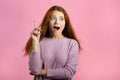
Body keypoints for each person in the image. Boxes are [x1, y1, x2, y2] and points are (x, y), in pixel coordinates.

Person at [25, 5, 81, 80]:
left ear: (65, 24)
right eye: (53, 18)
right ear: (48, 22)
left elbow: (68, 73)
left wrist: (42, 72)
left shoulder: (72, 44)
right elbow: (35, 69)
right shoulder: (39, 41)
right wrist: (35, 42)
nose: (57, 21)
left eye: (61, 19)